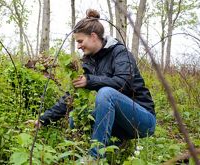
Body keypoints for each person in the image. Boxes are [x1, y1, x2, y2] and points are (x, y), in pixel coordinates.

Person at [27, 9, 156, 159]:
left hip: (143, 120)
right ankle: (81, 153)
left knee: (106, 93)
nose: (79, 46)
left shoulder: (120, 53)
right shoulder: (89, 61)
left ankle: (94, 159)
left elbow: (123, 82)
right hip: (120, 124)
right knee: (77, 117)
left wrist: (90, 81)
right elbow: (71, 96)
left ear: (93, 36)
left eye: (80, 41)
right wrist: (43, 120)